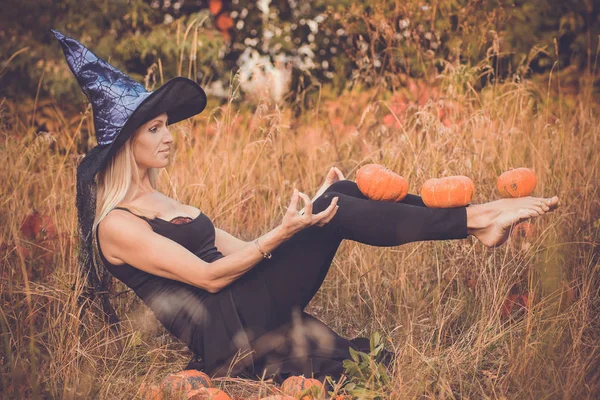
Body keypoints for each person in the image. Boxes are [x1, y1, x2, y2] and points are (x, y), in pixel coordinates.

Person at [53, 30, 560, 385]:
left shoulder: (162, 198)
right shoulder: (116, 224)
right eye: (155, 129)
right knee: (337, 206)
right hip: (221, 329)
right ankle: (477, 219)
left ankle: (472, 219)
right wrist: (286, 234)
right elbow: (209, 279)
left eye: (168, 126)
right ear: (124, 147)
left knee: (367, 356)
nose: (168, 137)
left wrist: (301, 219)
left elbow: (244, 252)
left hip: (246, 309)